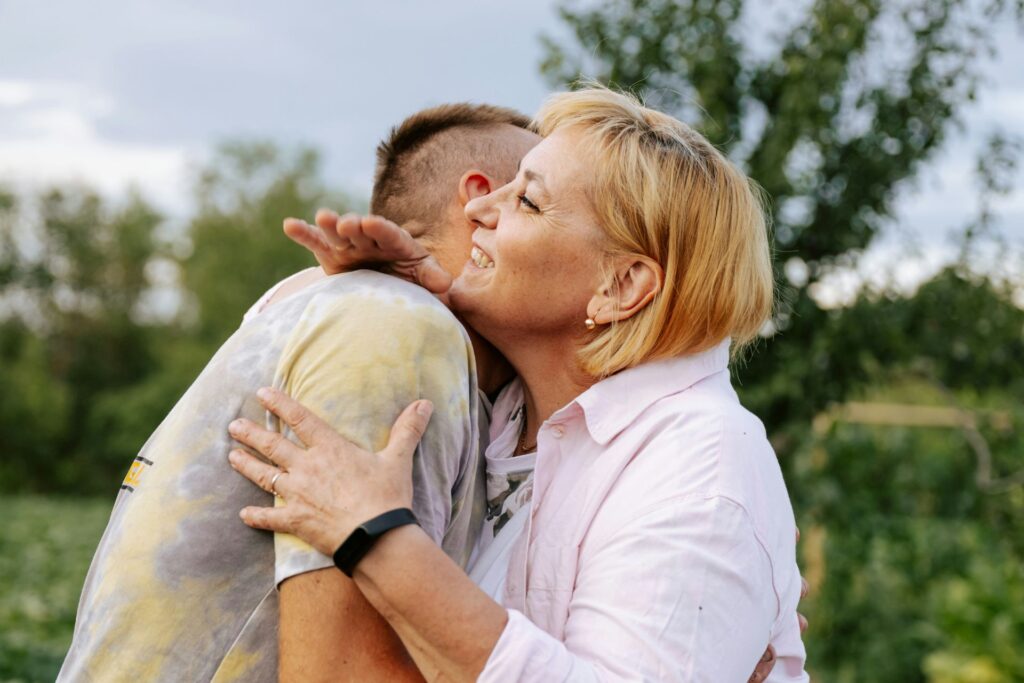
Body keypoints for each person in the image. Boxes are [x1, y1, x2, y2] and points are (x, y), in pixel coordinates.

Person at [227, 86, 809, 681]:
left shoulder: (700, 466)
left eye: (527, 200)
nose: (477, 210)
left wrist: (374, 539)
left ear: (622, 287)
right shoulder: (507, 418)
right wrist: (392, 293)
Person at [57, 103, 539, 683]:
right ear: (483, 202)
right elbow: (342, 674)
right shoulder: (395, 327)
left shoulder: (362, 317)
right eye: (537, 195)